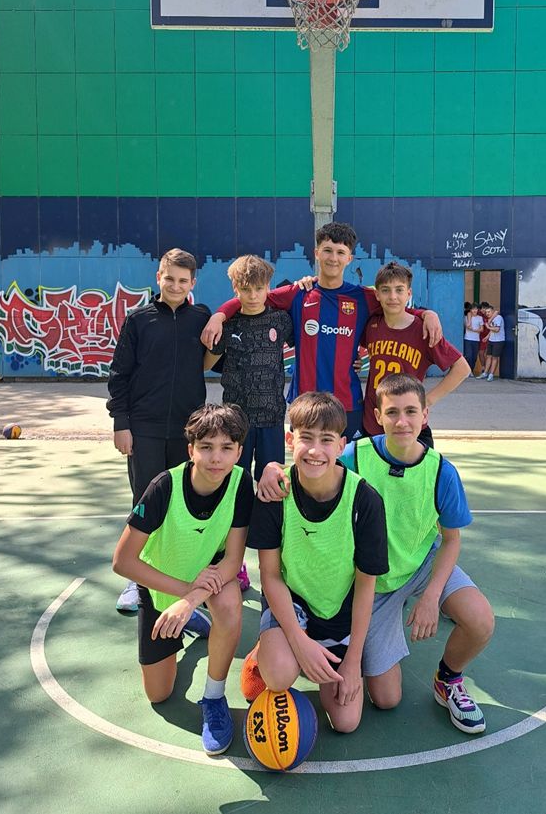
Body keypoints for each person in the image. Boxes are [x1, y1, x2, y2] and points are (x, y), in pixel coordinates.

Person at [256, 373, 494, 735]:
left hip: (419, 566)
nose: (402, 421)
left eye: (411, 412)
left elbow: (451, 540)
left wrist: (432, 596)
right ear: (378, 416)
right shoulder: (355, 456)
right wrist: (271, 468)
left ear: (425, 416)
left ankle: (449, 680)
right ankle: (281, 650)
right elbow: (312, 459)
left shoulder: (441, 472)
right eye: (392, 412)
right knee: (385, 698)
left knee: (480, 619)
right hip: (374, 582)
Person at [201, 222, 442, 442]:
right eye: (327, 250)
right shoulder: (299, 292)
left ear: (349, 258)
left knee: (346, 468)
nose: (333, 258)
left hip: (348, 404)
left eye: (340, 252)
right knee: (309, 465)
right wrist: (219, 315)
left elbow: (395, 304)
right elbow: (252, 297)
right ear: (316, 253)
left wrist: (426, 314)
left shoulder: (363, 297)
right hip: (304, 402)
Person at [112, 404, 254, 755]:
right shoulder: (164, 486)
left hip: (207, 580)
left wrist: (190, 599)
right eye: (206, 447)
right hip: (162, 586)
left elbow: (233, 560)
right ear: (191, 450)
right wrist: (183, 595)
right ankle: (190, 618)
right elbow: (123, 562)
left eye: (226, 448)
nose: (216, 457)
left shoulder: (240, 482)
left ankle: (214, 698)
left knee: (230, 604)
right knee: (159, 695)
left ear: (239, 452)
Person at [246, 391, 388, 733]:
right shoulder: (275, 493)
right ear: (289, 440)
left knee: (346, 723)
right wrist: (299, 641)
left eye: (326, 440)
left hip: (340, 610)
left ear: (341, 446)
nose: (314, 450)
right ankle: (267, 650)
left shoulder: (365, 500)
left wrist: (353, 661)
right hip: (293, 603)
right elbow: (270, 576)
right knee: (279, 675)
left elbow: (366, 585)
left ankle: (318, 652)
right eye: (306, 438)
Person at [107, 248, 213, 614]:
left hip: (188, 432)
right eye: (170, 278)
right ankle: (137, 580)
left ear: (193, 283)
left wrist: (219, 324)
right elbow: (119, 376)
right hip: (145, 429)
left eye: (183, 281)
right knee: (145, 502)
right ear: (158, 278)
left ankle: (186, 578)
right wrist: (121, 424)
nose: (176, 286)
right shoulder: (139, 320)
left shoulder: (201, 318)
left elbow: (217, 358)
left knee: (185, 504)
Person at [205, 255, 293, 481]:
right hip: (235, 419)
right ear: (235, 288)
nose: (253, 296)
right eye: (245, 289)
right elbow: (205, 365)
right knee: (235, 481)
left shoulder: (281, 321)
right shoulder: (227, 325)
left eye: (259, 288)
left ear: (268, 287)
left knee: (271, 483)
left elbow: (309, 345)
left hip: (272, 418)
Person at [361, 261, 471, 440]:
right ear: (377, 295)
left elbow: (462, 368)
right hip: (373, 424)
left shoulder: (424, 330)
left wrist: (427, 400)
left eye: (399, 290)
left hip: (409, 427)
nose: (393, 296)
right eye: (386, 290)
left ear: (409, 293)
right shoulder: (372, 324)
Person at [481, 304, 505, 381]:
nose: (487, 313)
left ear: (493, 311)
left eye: (489, 312)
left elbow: (497, 329)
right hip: (491, 340)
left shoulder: (498, 318)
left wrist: (488, 327)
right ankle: (485, 373)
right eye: (486, 312)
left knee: (495, 357)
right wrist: (487, 337)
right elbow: (492, 330)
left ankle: (491, 375)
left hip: (498, 341)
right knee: (488, 356)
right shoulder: (490, 319)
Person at [463, 302, 483, 376]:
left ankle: (471, 370)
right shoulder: (466, 317)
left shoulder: (480, 318)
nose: (474, 310)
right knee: (468, 356)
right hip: (467, 339)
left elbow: (482, 329)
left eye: (476, 309)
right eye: (473, 309)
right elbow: (468, 326)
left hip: (476, 340)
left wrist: (474, 330)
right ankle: (468, 371)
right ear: (470, 310)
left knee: (474, 357)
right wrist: (469, 317)